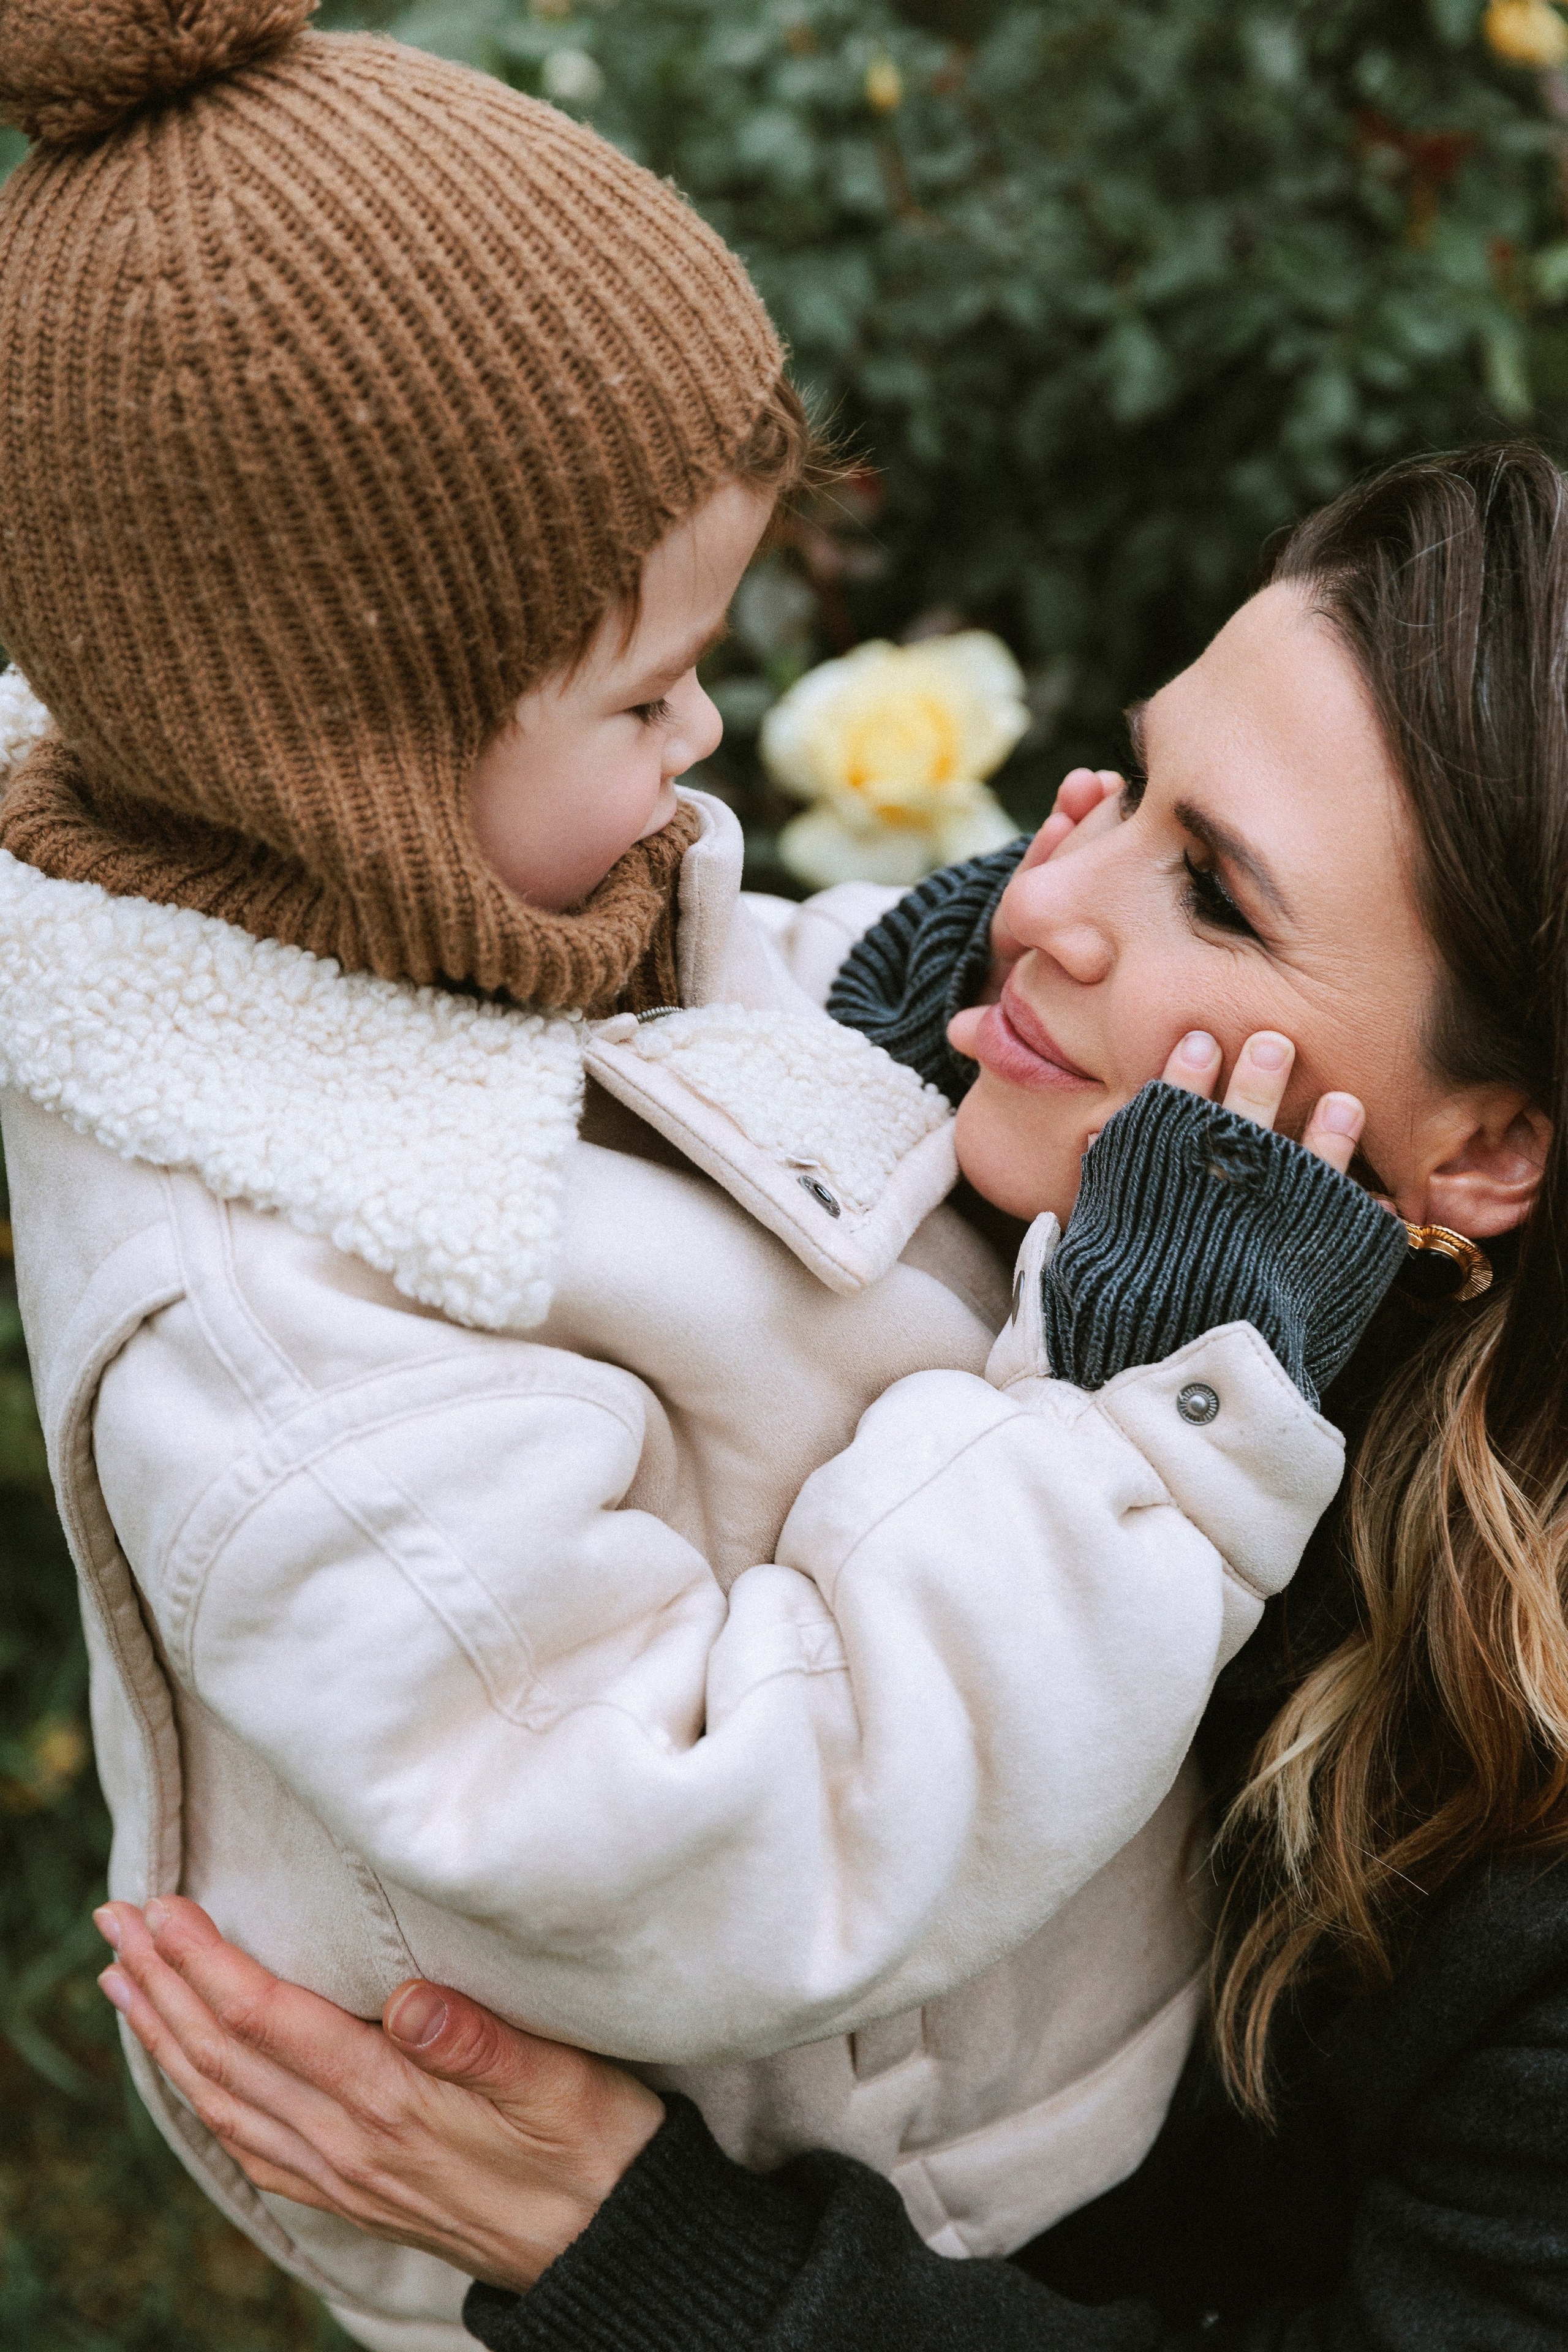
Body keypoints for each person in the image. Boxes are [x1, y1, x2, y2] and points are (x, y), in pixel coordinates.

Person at [0, 5, 1405, 2345]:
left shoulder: (380, 914)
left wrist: (858, 1015)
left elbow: (636, 1090)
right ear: (357, 763)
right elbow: (734, 1836)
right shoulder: (290, 1347)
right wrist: (1136, 1436)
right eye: (646, 694)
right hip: (876, 2161)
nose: (705, 739)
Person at [92, 446, 1568, 2350]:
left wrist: (670, 2268)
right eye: (1132, 791)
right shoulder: (997, 1179)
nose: (1053, 909)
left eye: (1213, 891)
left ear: (1493, 1148)